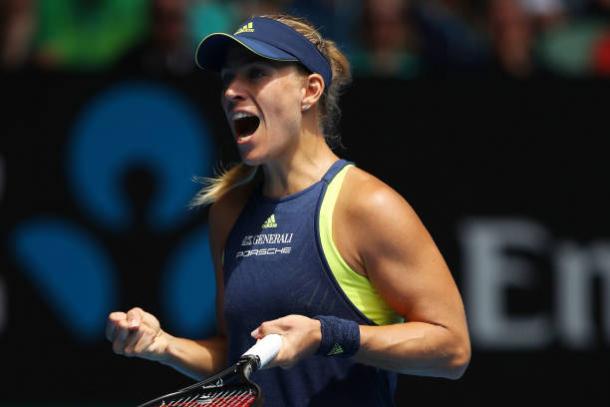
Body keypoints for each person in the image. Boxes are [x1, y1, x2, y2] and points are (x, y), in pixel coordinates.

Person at [106, 13, 471, 406]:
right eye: (228, 77)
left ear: (310, 91)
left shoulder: (367, 205)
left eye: (257, 74)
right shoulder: (229, 212)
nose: (232, 91)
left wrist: (327, 336)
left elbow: (451, 349)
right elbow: (240, 364)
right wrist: (164, 345)